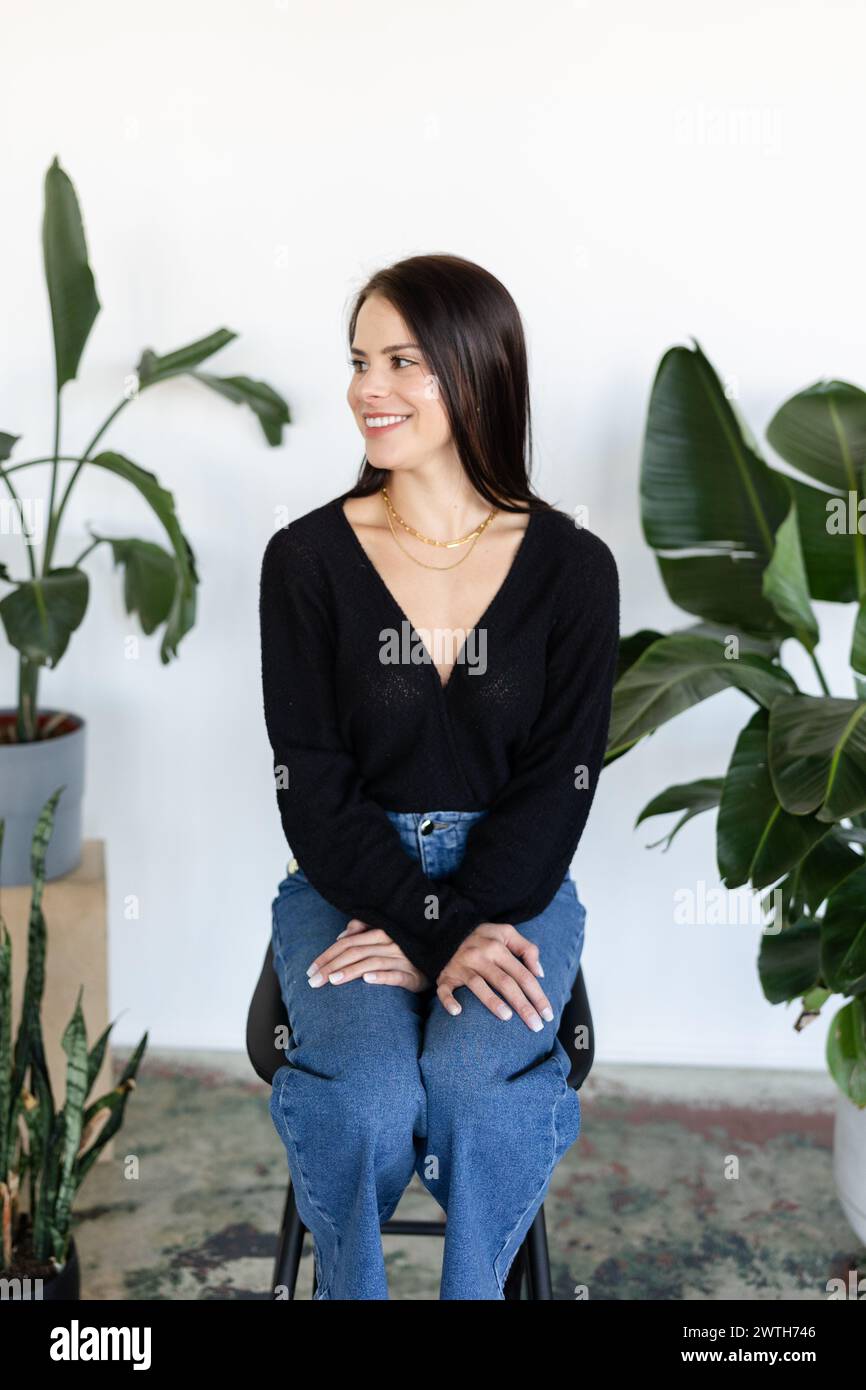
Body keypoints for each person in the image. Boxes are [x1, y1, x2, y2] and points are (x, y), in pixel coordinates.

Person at [258, 252, 620, 1300]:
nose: (366, 388)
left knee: (475, 1090)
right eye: (359, 360)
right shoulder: (306, 560)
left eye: (402, 360)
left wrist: (456, 918)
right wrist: (424, 923)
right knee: (366, 1098)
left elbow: (562, 782)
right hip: (346, 887)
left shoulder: (570, 566)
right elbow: (309, 782)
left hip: (516, 886)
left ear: (473, 371)